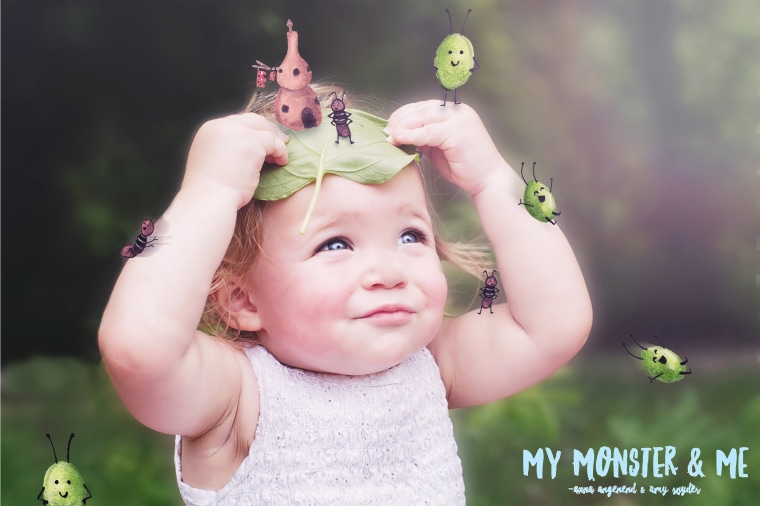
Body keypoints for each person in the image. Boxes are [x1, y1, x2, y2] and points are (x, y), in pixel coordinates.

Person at [98, 87, 592, 504]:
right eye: (336, 244)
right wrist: (208, 191)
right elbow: (139, 348)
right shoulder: (236, 397)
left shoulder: (430, 364)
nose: (389, 271)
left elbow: (554, 322)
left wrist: (491, 181)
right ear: (242, 301)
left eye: (410, 236)